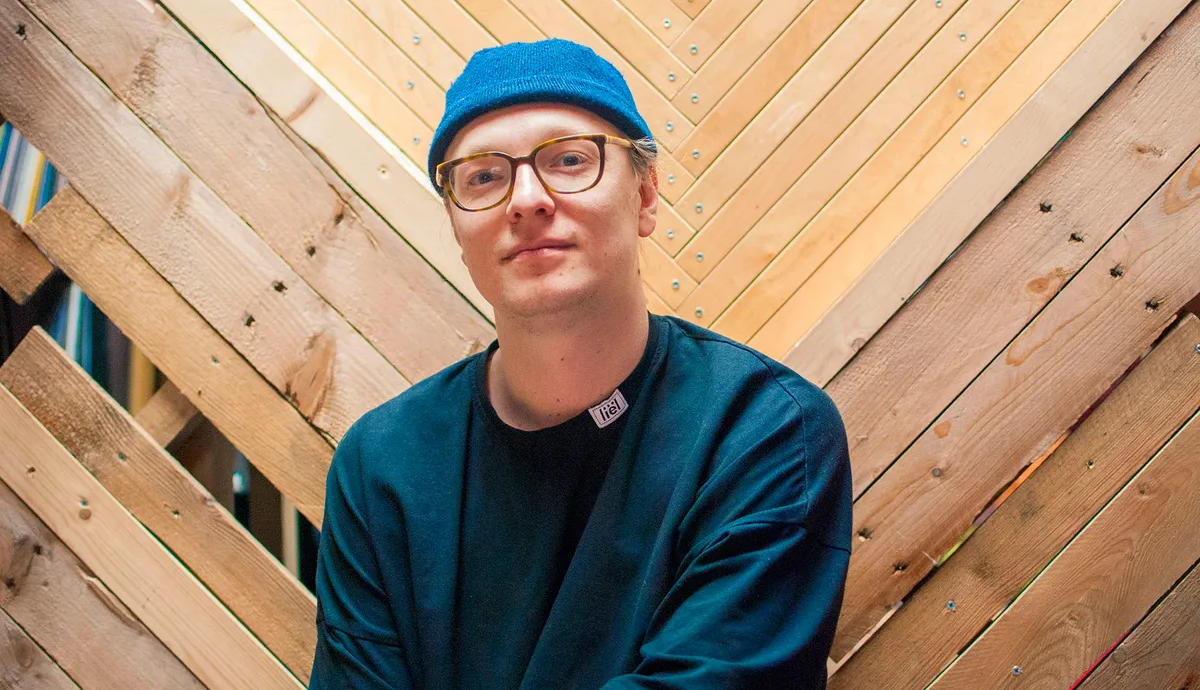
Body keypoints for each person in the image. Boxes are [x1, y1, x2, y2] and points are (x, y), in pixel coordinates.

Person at [309, 38, 853, 689]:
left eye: (569, 160)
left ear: (646, 196)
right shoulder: (382, 464)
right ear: (456, 228)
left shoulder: (762, 432)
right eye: (483, 177)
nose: (526, 198)